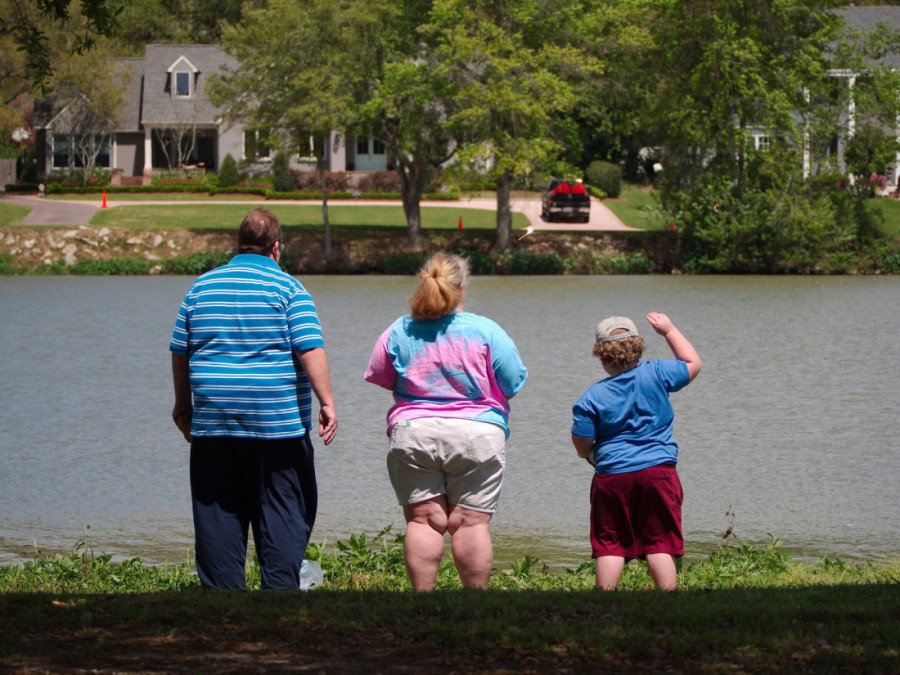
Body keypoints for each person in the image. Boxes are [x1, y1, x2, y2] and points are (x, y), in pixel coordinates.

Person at [170, 207, 337, 590]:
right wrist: (327, 401)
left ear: (239, 245)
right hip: (277, 426)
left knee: (218, 512)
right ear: (276, 248)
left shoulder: (200, 288)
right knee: (283, 508)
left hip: (214, 424)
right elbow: (309, 347)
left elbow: (180, 349)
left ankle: (224, 597)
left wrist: (183, 405)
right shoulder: (290, 289)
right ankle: (279, 591)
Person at [364, 252, 527, 590]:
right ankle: (474, 603)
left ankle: (423, 601)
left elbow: (381, 376)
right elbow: (513, 384)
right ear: (462, 289)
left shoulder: (399, 329)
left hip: (414, 431)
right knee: (471, 524)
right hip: (478, 432)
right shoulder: (486, 330)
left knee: (423, 522)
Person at [571, 313, 700, 591]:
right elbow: (693, 363)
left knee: (611, 545)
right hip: (659, 473)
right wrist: (669, 330)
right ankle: (667, 596)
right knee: (659, 542)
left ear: (602, 357)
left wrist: (590, 456)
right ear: (639, 348)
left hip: (612, 477)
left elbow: (582, 440)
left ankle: (604, 597)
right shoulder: (657, 373)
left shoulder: (591, 398)